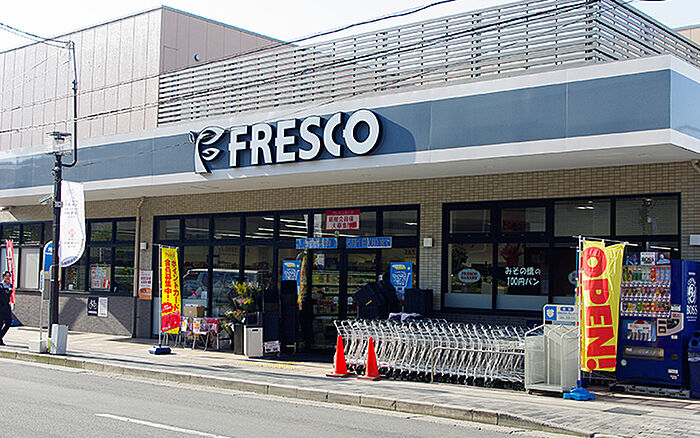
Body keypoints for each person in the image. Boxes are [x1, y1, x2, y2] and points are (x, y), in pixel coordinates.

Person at [0, 271, 13, 346]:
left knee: (8, 322)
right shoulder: (0, 285)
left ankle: (0, 337)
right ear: (3, 277)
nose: (7, 278)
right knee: (0, 323)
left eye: (8, 276)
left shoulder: (10, 286)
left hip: (7, 306)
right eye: (6, 276)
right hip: (1, 306)